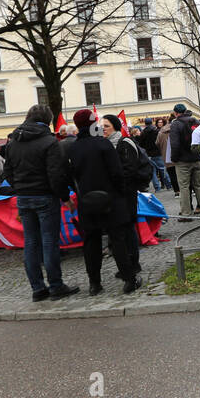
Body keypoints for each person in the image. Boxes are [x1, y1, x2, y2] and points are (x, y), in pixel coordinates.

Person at [2, 104, 78, 301]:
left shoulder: (13, 142)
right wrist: (64, 197)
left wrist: (20, 187)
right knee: (49, 242)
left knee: (31, 243)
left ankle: (37, 288)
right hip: (45, 196)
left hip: (24, 198)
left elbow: (7, 172)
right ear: (47, 120)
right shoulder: (49, 141)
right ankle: (56, 285)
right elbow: (56, 174)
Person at [68, 110, 135, 295]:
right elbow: (117, 172)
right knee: (118, 240)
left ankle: (94, 284)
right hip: (111, 199)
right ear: (92, 124)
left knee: (91, 243)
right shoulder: (103, 144)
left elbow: (68, 175)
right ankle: (129, 279)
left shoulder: (73, 148)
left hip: (86, 201)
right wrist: (119, 193)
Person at [101, 113, 144, 287]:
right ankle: (126, 264)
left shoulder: (124, 143)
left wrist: (117, 185)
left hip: (126, 193)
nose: (102, 129)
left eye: (106, 126)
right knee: (120, 230)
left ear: (116, 127)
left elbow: (130, 170)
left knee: (128, 228)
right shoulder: (104, 145)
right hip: (115, 195)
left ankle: (134, 263)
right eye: (101, 126)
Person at [168, 104, 200, 215]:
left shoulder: (175, 124)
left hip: (183, 160)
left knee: (183, 187)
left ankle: (186, 212)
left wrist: (174, 159)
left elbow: (175, 144)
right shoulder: (196, 122)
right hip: (197, 158)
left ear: (175, 113)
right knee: (199, 185)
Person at [138, 117, 169, 191]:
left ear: (145, 123)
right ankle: (168, 185)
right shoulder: (156, 131)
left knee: (153, 172)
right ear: (152, 122)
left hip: (148, 154)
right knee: (162, 169)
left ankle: (157, 188)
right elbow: (159, 142)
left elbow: (141, 144)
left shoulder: (143, 133)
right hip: (157, 153)